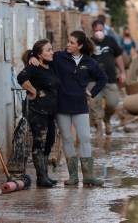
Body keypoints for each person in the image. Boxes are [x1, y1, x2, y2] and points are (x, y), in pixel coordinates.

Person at [30, 31, 107, 187]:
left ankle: (88, 176)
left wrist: (92, 92)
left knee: (85, 138)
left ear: (80, 45)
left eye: (72, 42)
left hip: (80, 106)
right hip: (62, 106)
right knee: (67, 139)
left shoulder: (89, 62)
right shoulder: (58, 57)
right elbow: (40, 53)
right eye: (68, 41)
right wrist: (32, 56)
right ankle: (73, 176)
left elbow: (102, 78)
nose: (68, 45)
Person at [17, 39, 59, 188]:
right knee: (39, 143)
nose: (51, 52)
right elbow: (21, 78)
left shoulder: (51, 65)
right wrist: (33, 90)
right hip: (37, 111)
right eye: (48, 50)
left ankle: (45, 175)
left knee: (49, 141)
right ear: (40, 55)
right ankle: (41, 178)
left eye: (51, 49)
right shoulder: (33, 67)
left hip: (50, 112)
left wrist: (32, 56)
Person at [90, 20, 126, 136]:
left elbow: (118, 56)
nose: (98, 33)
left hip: (110, 79)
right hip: (93, 80)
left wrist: (122, 72)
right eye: (96, 31)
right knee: (95, 104)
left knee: (113, 103)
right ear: (93, 31)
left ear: (104, 30)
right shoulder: (89, 43)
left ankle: (107, 118)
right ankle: (98, 125)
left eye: (101, 30)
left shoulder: (110, 40)